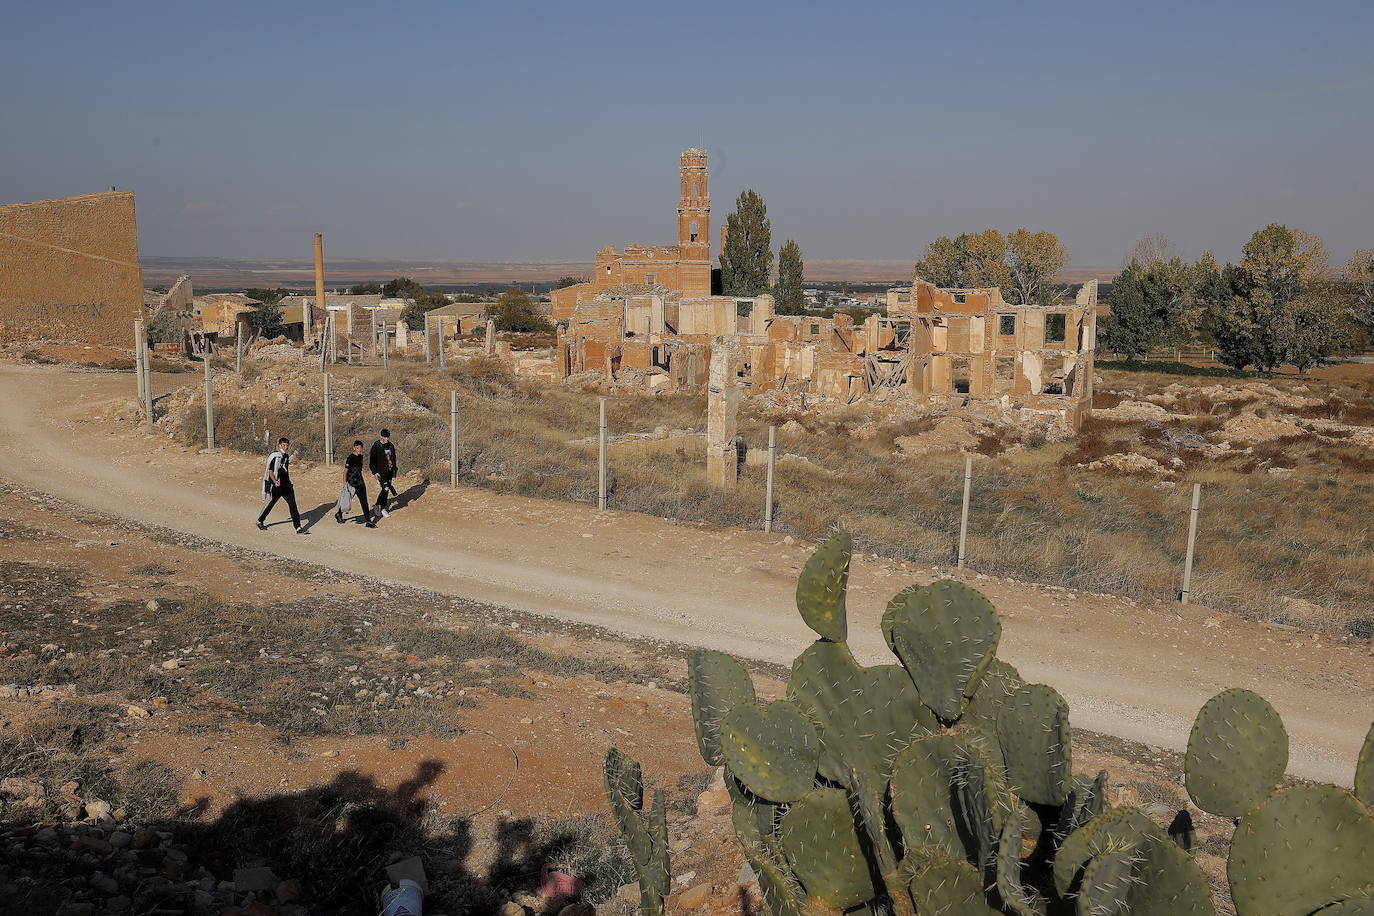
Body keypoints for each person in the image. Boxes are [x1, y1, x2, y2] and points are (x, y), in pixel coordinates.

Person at [257, 437, 307, 534]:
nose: (285, 447)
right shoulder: (275, 456)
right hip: (277, 485)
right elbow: (270, 471)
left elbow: (285, 471)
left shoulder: (286, 456)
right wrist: (275, 481)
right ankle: (260, 520)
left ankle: (298, 527)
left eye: (287, 445)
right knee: (270, 503)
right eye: (283, 445)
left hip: (286, 485)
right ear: (279, 445)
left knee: (293, 505)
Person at [335, 440, 376, 527]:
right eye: (357, 448)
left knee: (364, 502)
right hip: (351, 483)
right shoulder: (350, 458)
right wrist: (345, 484)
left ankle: (368, 521)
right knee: (346, 500)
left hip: (360, 482)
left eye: (360, 448)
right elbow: (345, 471)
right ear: (354, 448)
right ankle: (339, 513)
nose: (359, 450)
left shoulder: (361, 457)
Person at [369, 428, 398, 519]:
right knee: (385, 488)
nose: (387, 439)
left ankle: (383, 507)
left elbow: (393, 458)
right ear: (381, 436)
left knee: (387, 489)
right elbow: (372, 461)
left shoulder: (391, 445)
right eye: (385, 437)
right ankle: (378, 506)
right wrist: (375, 472)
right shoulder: (376, 446)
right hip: (380, 472)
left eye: (388, 437)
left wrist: (394, 471)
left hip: (389, 471)